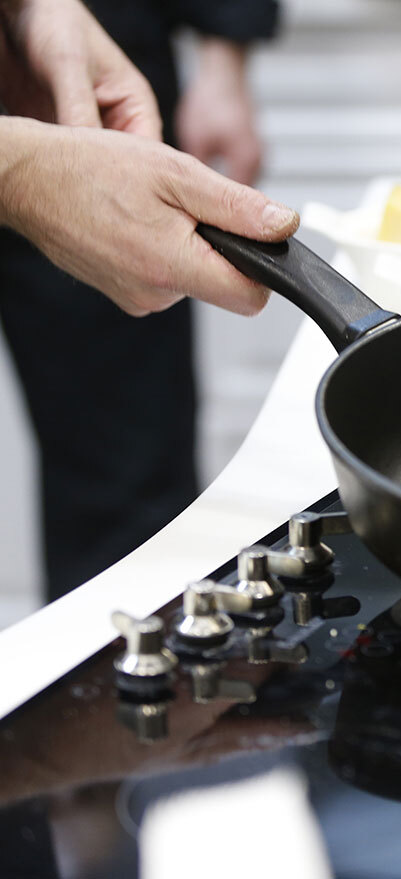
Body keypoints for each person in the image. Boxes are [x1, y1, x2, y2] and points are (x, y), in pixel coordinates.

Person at [0, 0, 299, 601]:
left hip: (83, 54)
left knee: (124, 489)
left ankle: (127, 675)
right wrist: (20, 167)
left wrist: (28, 9)